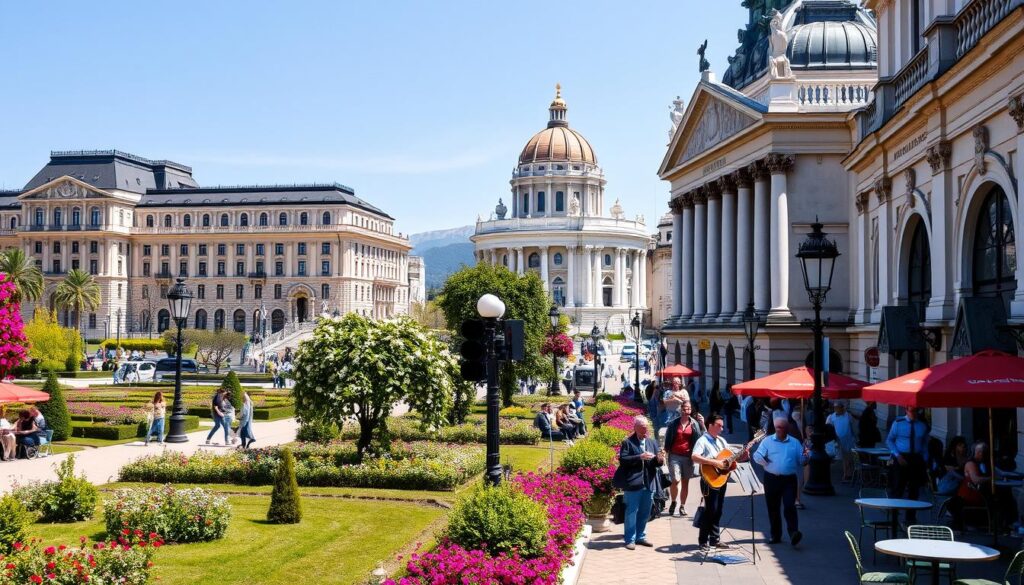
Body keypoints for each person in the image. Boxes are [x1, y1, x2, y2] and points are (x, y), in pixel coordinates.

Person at [691, 414, 749, 552]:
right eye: (719, 425)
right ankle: (703, 540)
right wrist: (715, 462)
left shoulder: (722, 441)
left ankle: (715, 539)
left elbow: (729, 460)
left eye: (722, 426)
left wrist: (743, 456)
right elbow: (694, 456)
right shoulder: (702, 441)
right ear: (710, 425)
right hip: (708, 480)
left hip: (721, 479)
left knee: (718, 510)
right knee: (710, 510)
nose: (722, 429)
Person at [753, 415, 808, 546]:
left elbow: (801, 460)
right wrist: (764, 460)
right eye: (777, 427)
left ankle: (793, 532)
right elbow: (757, 455)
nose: (780, 430)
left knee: (789, 505)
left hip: (789, 479)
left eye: (782, 428)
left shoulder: (794, 443)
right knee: (773, 507)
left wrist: (806, 457)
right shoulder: (767, 441)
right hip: (771, 478)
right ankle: (775, 535)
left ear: (787, 428)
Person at [617, 415, 665, 550]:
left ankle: (640, 536)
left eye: (647, 428)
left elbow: (657, 463)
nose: (645, 431)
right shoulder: (628, 442)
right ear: (636, 427)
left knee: (645, 511)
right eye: (643, 428)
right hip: (633, 483)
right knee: (631, 511)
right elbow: (623, 460)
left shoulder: (652, 442)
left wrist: (660, 459)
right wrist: (640, 457)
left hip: (649, 482)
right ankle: (630, 539)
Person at [885, 406, 929, 523]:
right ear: (906, 411)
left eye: (916, 411)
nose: (914, 413)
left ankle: (910, 517)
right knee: (898, 487)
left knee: (914, 489)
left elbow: (924, 444)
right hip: (901, 456)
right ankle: (894, 517)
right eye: (911, 411)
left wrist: (925, 459)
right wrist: (897, 455)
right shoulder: (898, 423)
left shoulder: (922, 425)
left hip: (916, 458)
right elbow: (889, 440)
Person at [664, 401, 706, 517]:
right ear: (681, 410)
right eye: (685, 409)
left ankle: (682, 506)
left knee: (685, 482)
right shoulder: (673, 424)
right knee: (675, 480)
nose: (687, 411)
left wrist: (702, 424)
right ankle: (673, 502)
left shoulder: (695, 424)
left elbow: (703, 438)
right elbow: (668, 438)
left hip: (688, 457)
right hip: (674, 455)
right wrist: (664, 451)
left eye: (689, 409)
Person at [827, 401, 856, 482]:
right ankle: (846, 474)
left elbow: (853, 426)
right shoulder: (831, 417)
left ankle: (850, 474)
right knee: (844, 458)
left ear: (842, 407)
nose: (836, 409)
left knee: (850, 458)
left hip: (849, 440)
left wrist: (855, 437)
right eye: (835, 407)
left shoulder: (848, 415)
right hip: (838, 440)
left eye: (838, 407)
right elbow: (829, 429)